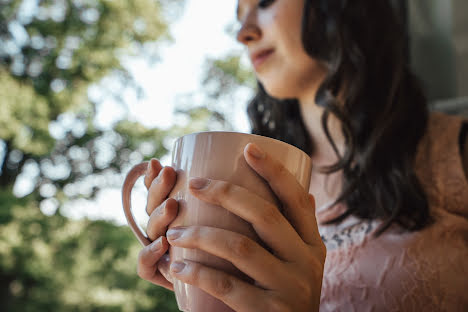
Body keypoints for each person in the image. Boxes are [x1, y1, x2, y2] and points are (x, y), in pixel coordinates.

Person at [136, 0, 468, 311]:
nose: (243, 33)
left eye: (265, 2)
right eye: (239, 17)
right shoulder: (249, 182)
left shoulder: (457, 150)